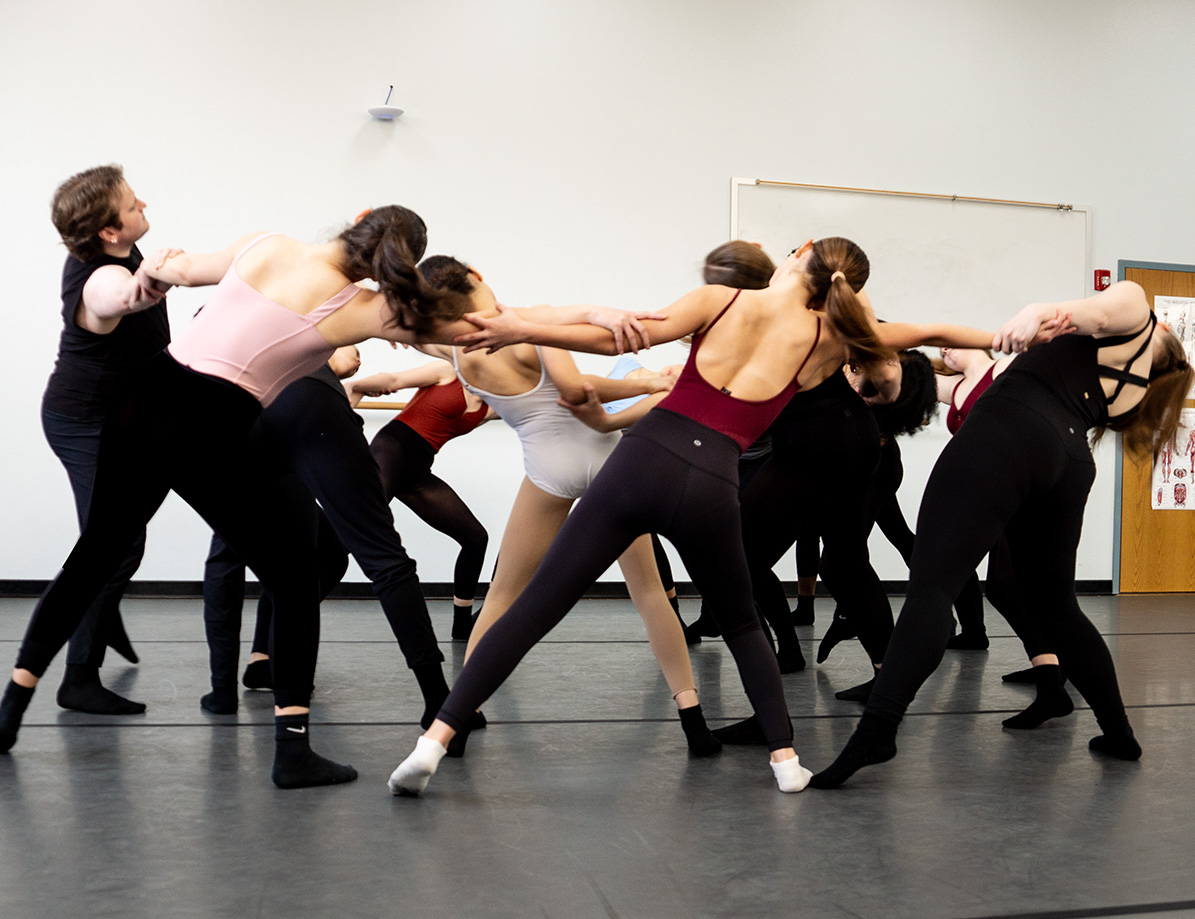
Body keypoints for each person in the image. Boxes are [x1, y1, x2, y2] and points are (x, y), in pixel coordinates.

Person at [0, 205, 653, 788]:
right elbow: (501, 325)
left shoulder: (268, 242)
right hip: (205, 426)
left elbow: (182, 267)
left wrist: (152, 275)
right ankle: (292, 748)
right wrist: (593, 314)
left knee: (92, 557)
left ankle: (10, 709)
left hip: (141, 399)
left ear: (358, 219)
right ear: (399, 267)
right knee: (294, 572)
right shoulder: (366, 309)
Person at [388, 236, 974, 796]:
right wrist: (1007, 338)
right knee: (742, 623)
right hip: (712, 482)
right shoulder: (833, 335)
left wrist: (520, 325)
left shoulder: (722, 299)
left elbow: (624, 340)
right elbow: (934, 336)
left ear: (797, 257)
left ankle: (434, 743)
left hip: (643, 462)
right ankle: (786, 760)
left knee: (535, 603)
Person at [811, 281, 1193, 788]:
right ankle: (1118, 732)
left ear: (1160, 327)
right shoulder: (1136, 389)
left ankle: (878, 731)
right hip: (1070, 462)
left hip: (1008, 431)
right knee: (1057, 606)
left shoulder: (1133, 307)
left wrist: (1041, 312)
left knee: (932, 587)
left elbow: (1102, 312)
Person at [410, 256, 721, 758]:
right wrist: (648, 384)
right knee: (649, 593)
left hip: (549, 470)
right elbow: (577, 393)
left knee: (503, 595)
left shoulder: (455, 347)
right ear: (478, 275)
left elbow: (398, 330)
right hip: (612, 468)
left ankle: (459, 717)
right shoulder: (531, 324)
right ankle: (693, 721)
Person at [40, 164, 169, 716]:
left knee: (117, 540)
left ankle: (102, 618)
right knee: (113, 546)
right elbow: (118, 298)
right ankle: (77, 679)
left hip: (117, 420)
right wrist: (155, 281)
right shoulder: (101, 277)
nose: (145, 204)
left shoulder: (119, 253)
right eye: (133, 204)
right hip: (84, 422)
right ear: (109, 233)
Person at [934, 346, 1074, 728]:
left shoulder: (1005, 371)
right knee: (1004, 587)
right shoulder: (961, 387)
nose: (945, 348)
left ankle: (1053, 681)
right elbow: (916, 382)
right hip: (997, 495)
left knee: (1011, 587)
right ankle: (1051, 671)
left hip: (1025, 495)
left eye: (952, 340)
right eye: (940, 345)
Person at [359, 357, 493, 641]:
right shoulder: (447, 372)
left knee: (475, 538)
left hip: (418, 471)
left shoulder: (490, 406)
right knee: (357, 527)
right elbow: (392, 380)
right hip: (392, 450)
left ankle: (462, 624)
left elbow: (538, 408)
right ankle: (296, 593)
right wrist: (353, 388)